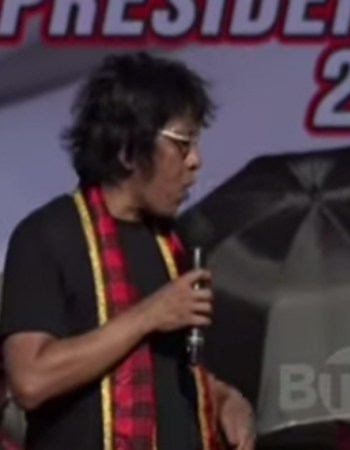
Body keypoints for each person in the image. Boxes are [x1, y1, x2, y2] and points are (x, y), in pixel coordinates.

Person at [0, 52, 255, 450]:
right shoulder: (46, 236)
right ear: (128, 150)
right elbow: (31, 380)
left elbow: (168, 372)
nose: (196, 161)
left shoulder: (174, 243)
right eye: (183, 144)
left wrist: (223, 399)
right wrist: (149, 315)